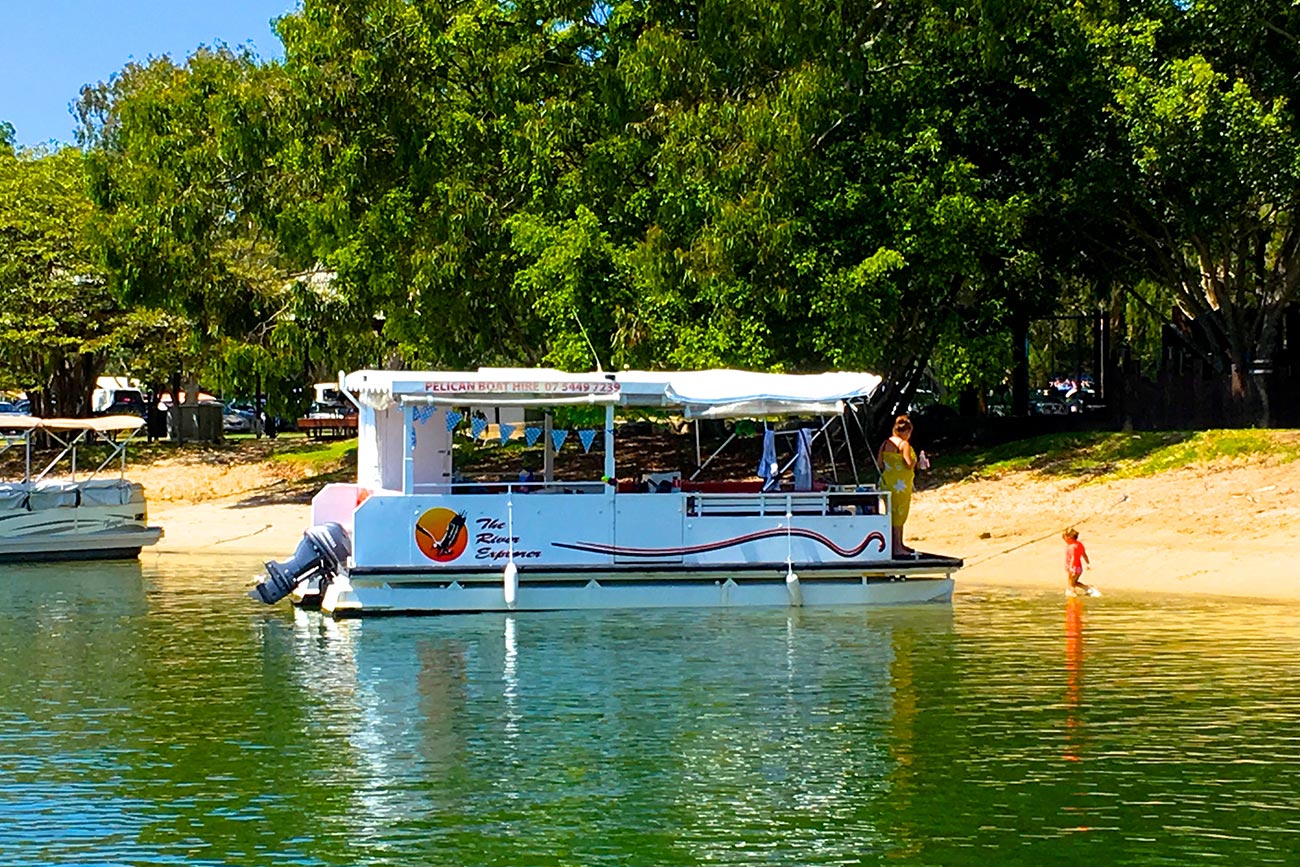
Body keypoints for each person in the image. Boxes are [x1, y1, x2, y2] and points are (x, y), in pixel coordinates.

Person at [879, 414, 926, 557]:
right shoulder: (904, 444)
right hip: (901, 485)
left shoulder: (886, 443)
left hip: (887, 482)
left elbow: (879, 463)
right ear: (906, 432)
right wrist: (916, 463)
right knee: (900, 514)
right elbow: (907, 462)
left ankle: (897, 544)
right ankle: (897, 546)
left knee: (891, 513)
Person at [1063, 527, 1099, 596]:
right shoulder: (1079, 544)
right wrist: (1088, 563)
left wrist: (1071, 568)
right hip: (1079, 568)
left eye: (1064, 538)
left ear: (1069, 538)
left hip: (1073, 567)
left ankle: (1073, 593)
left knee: (1072, 583)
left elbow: (1073, 558)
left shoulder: (1072, 547)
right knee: (1074, 582)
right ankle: (1087, 589)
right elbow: (1084, 554)